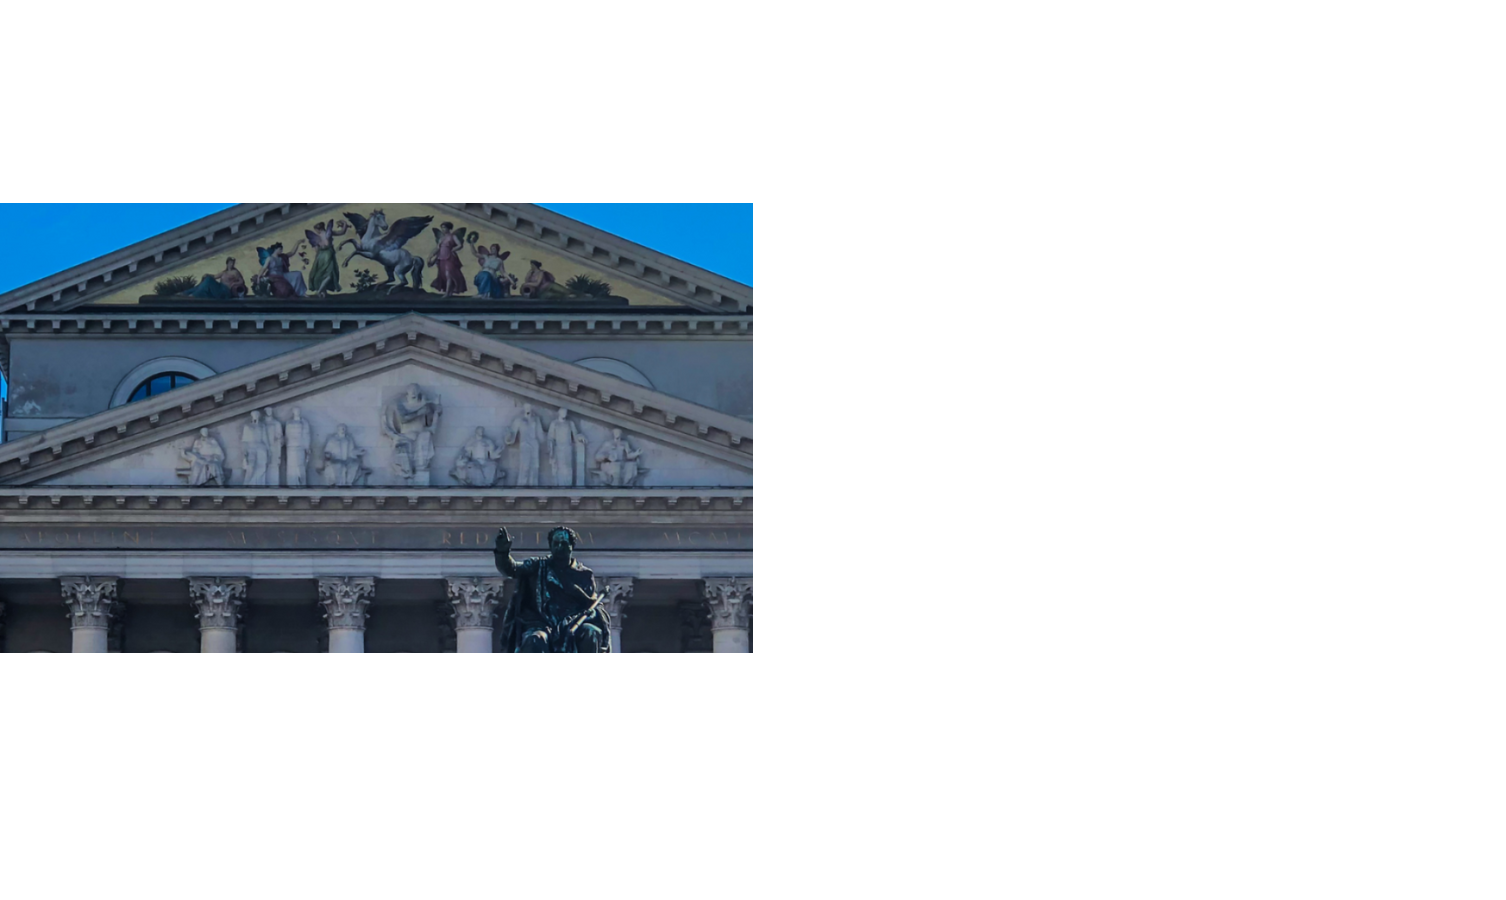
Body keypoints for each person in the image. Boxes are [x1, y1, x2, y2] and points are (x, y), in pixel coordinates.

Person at [492, 525, 610, 653]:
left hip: (573, 624)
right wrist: (502, 552)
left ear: (572, 546)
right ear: (550, 545)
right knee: (535, 639)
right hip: (542, 624)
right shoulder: (538, 566)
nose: (559, 547)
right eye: (556, 543)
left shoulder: (584, 575)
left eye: (564, 544)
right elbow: (511, 569)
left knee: (591, 633)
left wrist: (591, 614)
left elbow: (593, 606)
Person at [381, 384, 442, 484]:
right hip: (406, 436)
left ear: (418, 392)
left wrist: (437, 412)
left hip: (420, 435)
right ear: (407, 393)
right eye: (411, 390)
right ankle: (406, 474)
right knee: (403, 447)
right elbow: (403, 419)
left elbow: (430, 425)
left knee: (425, 435)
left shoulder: (425, 407)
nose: (413, 392)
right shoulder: (401, 404)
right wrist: (420, 410)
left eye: (415, 390)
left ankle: (421, 471)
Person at [503, 403, 546, 486]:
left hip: (534, 444)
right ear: (524, 408)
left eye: (529, 407)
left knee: (534, 466)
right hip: (525, 444)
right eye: (526, 407)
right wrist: (508, 437)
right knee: (525, 465)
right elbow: (512, 433)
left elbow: (541, 435)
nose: (528, 409)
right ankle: (523, 484)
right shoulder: (519, 420)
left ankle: (533, 484)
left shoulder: (536, 419)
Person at [305, 220, 349, 297]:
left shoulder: (319, 237)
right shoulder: (329, 233)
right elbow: (342, 232)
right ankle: (322, 291)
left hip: (321, 256)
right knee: (329, 274)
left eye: (316, 230)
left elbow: (316, 249)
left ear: (319, 229)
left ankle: (320, 290)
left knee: (322, 274)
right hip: (328, 254)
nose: (316, 232)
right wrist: (345, 224)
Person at [545, 407, 583, 486]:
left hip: (568, 448)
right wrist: (550, 448)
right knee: (560, 468)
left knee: (568, 468)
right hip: (558, 448)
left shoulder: (570, 423)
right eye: (563, 412)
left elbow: (575, 436)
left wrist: (580, 437)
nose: (564, 414)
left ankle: (568, 485)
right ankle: (560, 485)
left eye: (565, 412)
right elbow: (550, 437)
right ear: (559, 413)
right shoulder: (554, 423)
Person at [428, 222, 466, 296]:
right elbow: (437, 248)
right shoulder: (442, 238)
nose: (443, 229)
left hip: (450, 257)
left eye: (444, 227)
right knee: (443, 275)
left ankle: (447, 292)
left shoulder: (453, 236)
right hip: (441, 258)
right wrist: (431, 255)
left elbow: (460, 245)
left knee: (449, 274)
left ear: (449, 228)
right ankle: (449, 291)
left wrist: (453, 249)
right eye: (442, 227)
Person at [184, 258, 248, 299]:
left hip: (225, 291)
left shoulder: (235, 272)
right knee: (207, 280)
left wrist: (234, 283)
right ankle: (186, 293)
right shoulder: (224, 272)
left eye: (232, 263)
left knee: (208, 280)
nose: (231, 264)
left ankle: (194, 295)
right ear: (227, 263)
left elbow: (241, 281)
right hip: (220, 288)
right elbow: (214, 276)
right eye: (230, 263)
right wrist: (207, 274)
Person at [241, 410, 269, 486]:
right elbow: (244, 441)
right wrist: (244, 453)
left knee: (262, 467)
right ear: (252, 416)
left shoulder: (262, 426)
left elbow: (265, 439)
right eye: (254, 415)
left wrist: (268, 450)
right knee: (251, 466)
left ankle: (259, 484)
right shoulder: (247, 426)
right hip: (251, 447)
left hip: (261, 447)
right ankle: (247, 484)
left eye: (257, 415)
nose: (255, 416)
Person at [284, 407, 311, 487]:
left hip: (300, 446)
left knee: (300, 465)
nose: (297, 412)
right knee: (291, 465)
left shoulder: (304, 422)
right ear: (293, 412)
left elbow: (307, 435)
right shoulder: (289, 422)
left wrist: (307, 447)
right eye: (295, 411)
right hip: (291, 446)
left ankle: (301, 483)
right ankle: (292, 483)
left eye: (298, 411)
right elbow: (287, 435)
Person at [263, 407, 284, 487]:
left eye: (270, 410)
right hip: (263, 448)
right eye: (267, 410)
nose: (269, 412)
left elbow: (280, 437)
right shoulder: (261, 424)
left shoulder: (276, 423)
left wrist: (278, 439)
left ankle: (273, 483)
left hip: (274, 447)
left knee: (273, 465)